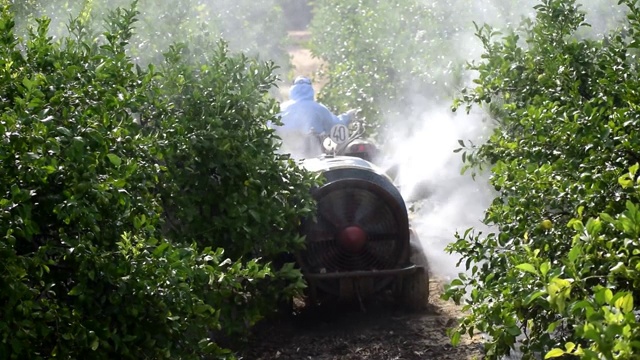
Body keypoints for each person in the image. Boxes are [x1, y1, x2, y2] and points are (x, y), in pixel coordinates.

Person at [271, 76, 357, 159]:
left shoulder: (280, 109)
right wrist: (348, 116)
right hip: (313, 159)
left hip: (283, 161)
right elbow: (336, 125)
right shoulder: (318, 108)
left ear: (293, 90)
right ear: (310, 90)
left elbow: (268, 128)